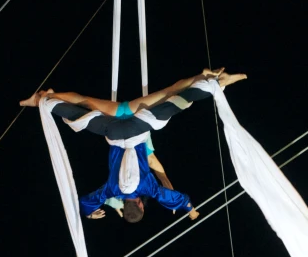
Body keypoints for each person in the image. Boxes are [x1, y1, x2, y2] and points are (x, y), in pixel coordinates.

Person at [20, 68, 247, 223]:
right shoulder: (112, 190)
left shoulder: (148, 188)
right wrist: (88, 214)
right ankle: (43, 100)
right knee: (82, 104)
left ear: (140, 205)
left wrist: (191, 210)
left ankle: (212, 83)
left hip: (139, 124)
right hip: (113, 129)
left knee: (175, 101)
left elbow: (174, 196)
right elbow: (86, 202)